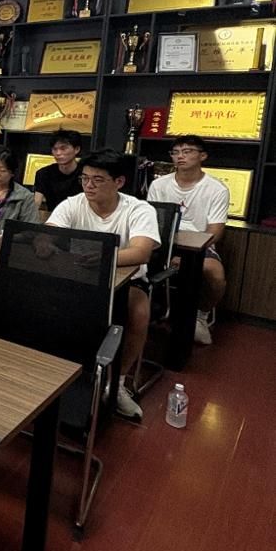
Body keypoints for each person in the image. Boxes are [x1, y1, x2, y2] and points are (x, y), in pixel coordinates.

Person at [45, 149, 160, 419]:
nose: (89, 186)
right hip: (79, 278)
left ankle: (117, 384)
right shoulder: (73, 203)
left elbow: (141, 252)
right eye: (84, 179)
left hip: (125, 283)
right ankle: (55, 375)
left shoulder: (139, 209)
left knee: (139, 311)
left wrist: (105, 257)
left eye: (97, 180)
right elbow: (49, 233)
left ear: (119, 182)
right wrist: (43, 242)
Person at [146, 135, 229, 345]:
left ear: (203, 156)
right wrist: (168, 253)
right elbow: (151, 221)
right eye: (175, 152)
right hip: (164, 242)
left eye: (187, 151)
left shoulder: (216, 189)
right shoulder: (159, 185)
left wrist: (189, 256)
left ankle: (200, 315)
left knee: (215, 273)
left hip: (198, 246)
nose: (180, 156)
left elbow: (215, 231)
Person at [34, 130, 84, 211]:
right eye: (55, 149)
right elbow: (36, 203)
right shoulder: (44, 173)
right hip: (53, 216)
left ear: (76, 149)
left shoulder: (85, 173)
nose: (58, 153)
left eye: (63, 148)